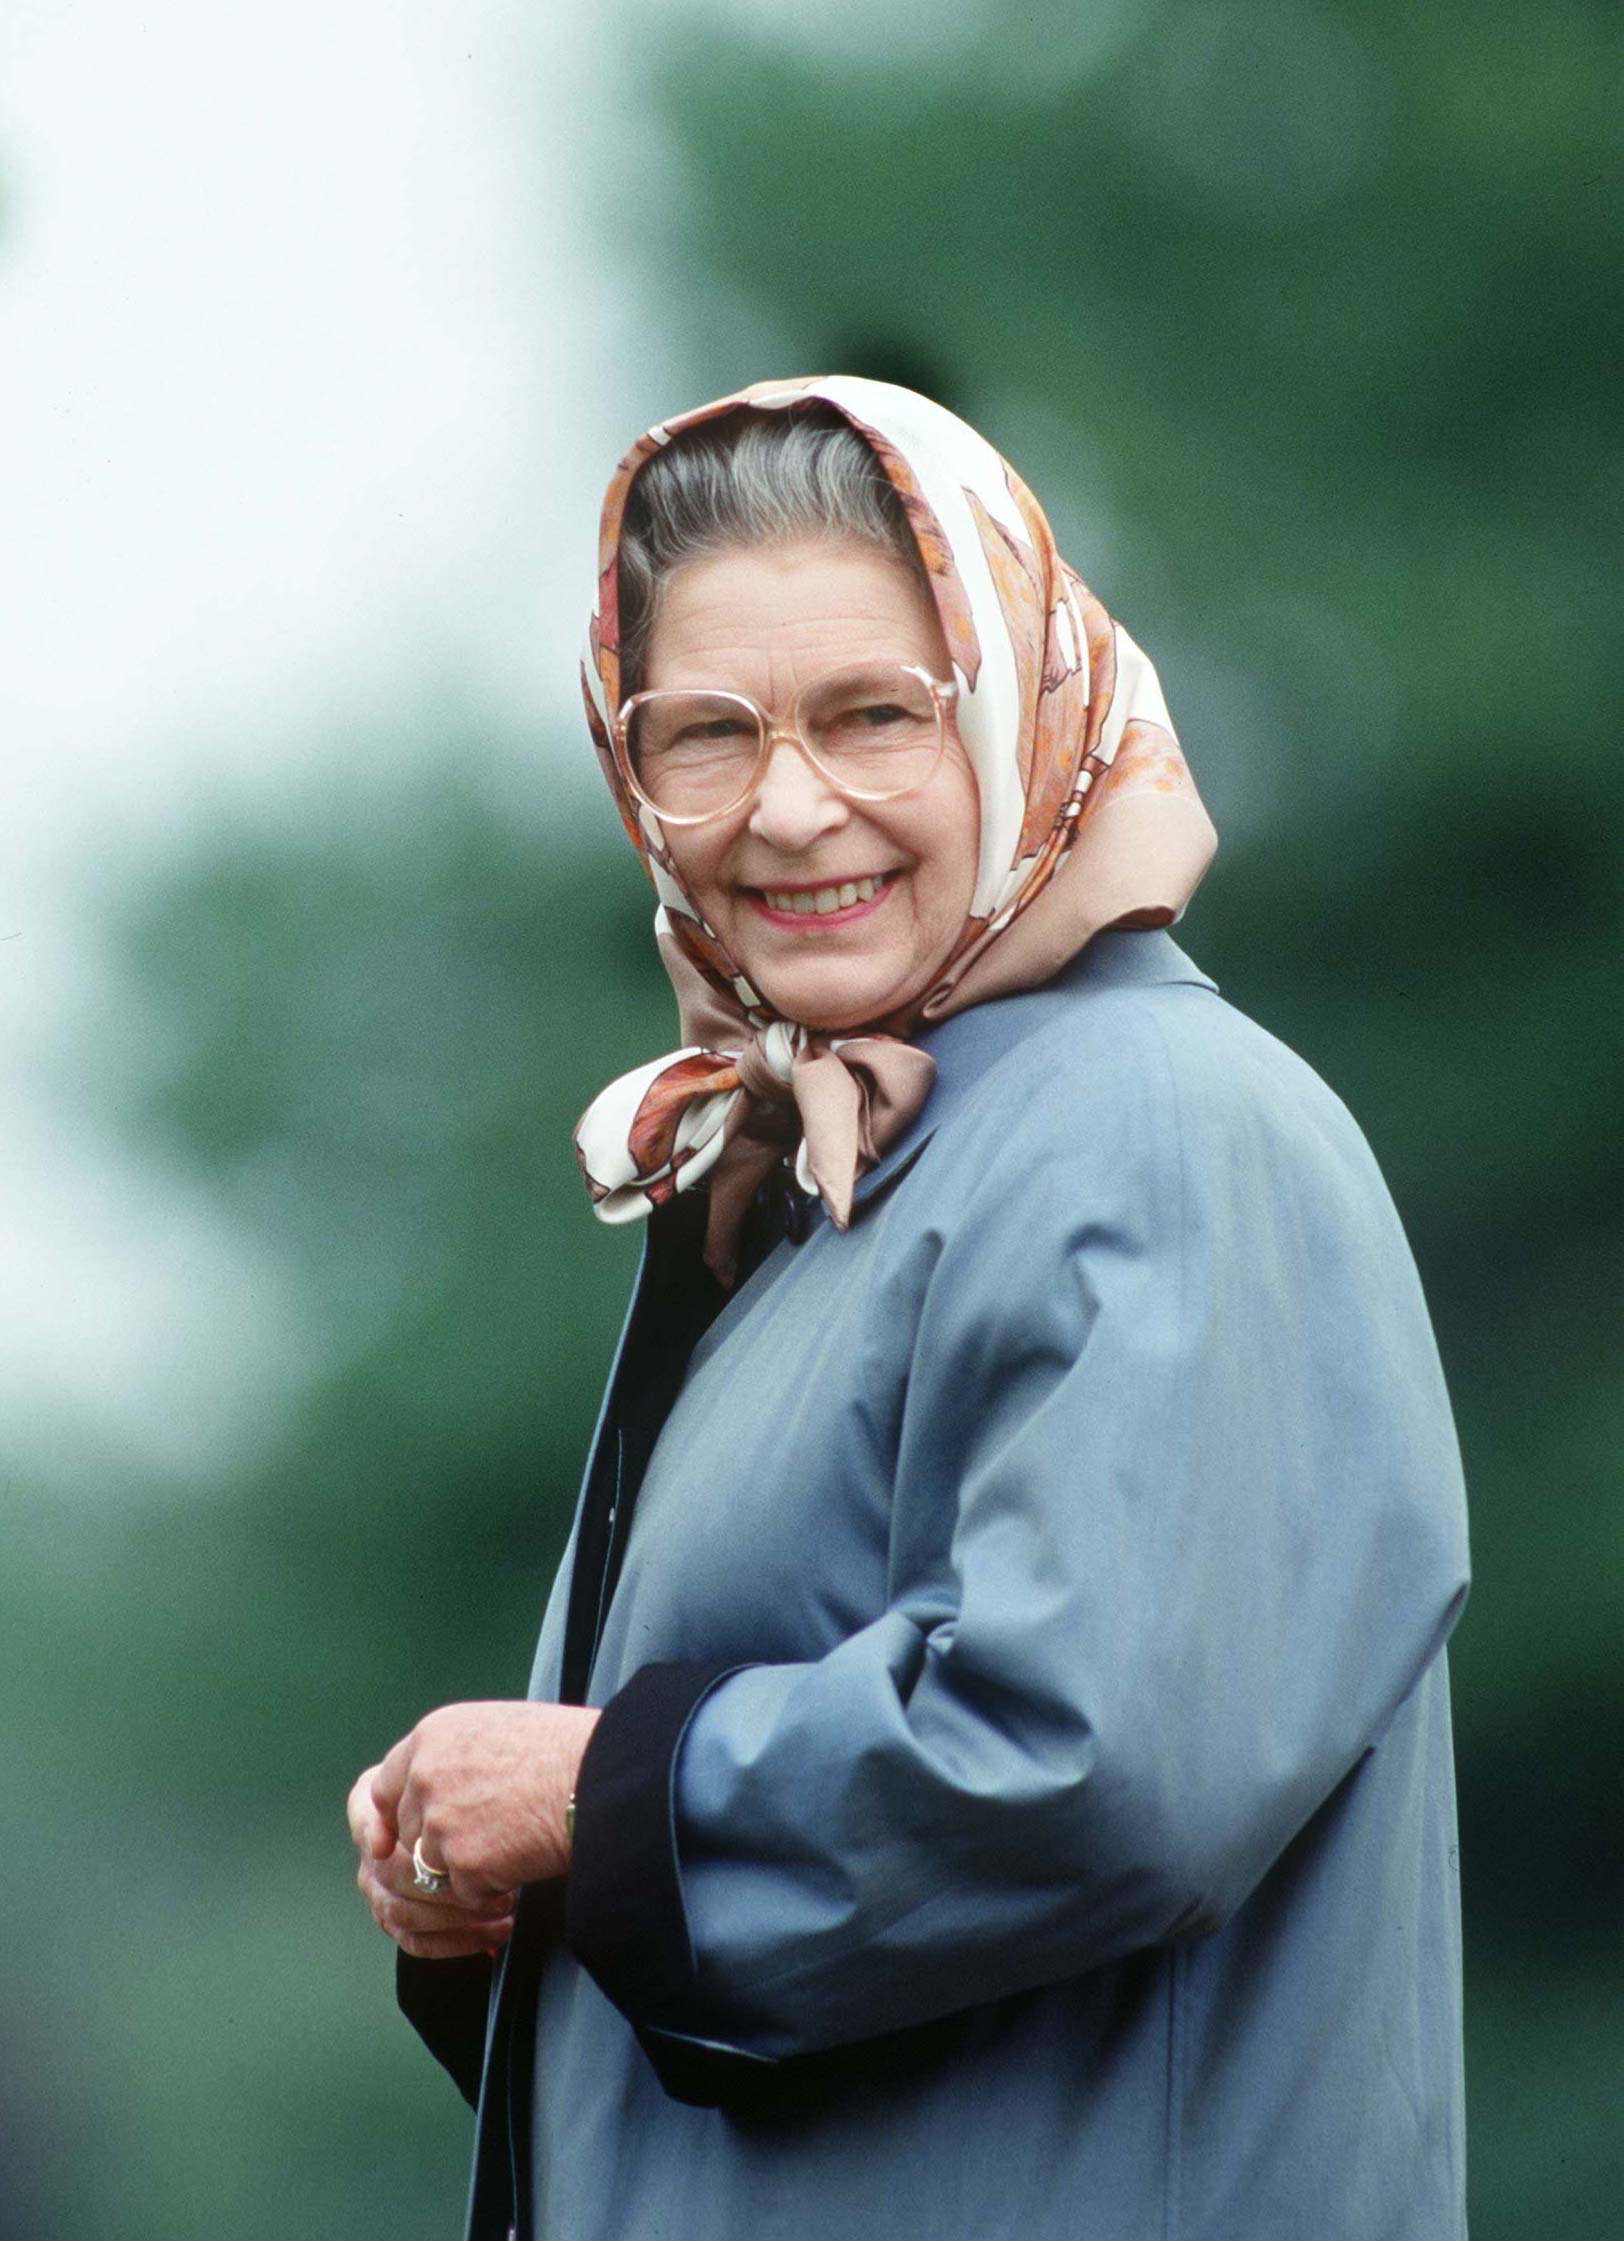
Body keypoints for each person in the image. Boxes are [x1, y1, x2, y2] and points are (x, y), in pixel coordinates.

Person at [346, 375, 1470, 2241]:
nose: (790, 809)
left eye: (874, 712)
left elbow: (1099, 1761)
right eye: (702, 734)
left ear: (1027, 702)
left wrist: (598, 1795)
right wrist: (500, 1871)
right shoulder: (834, 1161)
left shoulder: (1156, 1127)